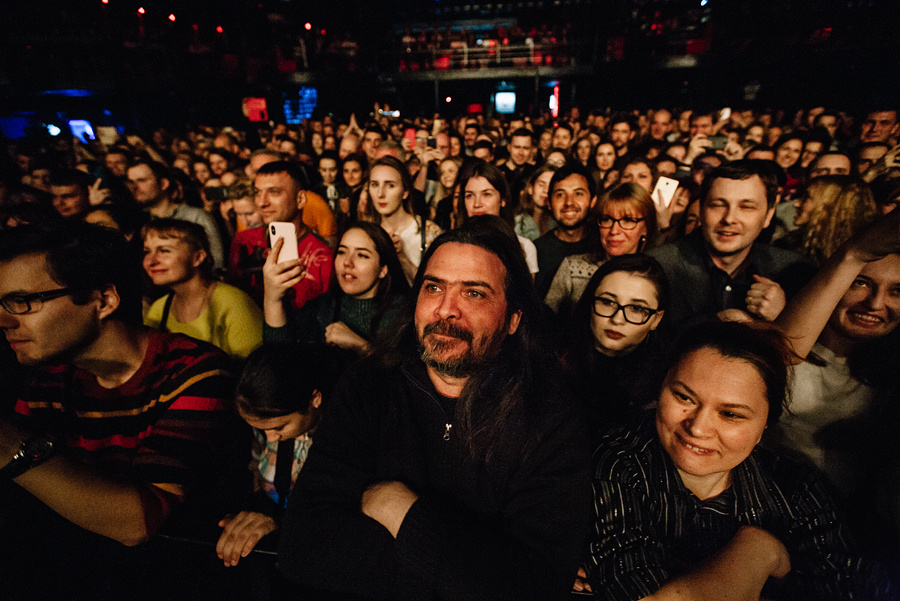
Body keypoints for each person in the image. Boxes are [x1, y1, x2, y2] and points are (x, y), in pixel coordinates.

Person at [277, 216, 591, 600]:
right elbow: (305, 546)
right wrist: (467, 569)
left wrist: (400, 509)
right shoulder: (369, 384)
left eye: (474, 293)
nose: (445, 309)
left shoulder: (551, 418)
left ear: (513, 319)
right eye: (433, 288)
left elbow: (534, 587)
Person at [0, 221, 244, 599]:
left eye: (23, 302)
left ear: (104, 301)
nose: (5, 320)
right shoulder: (47, 377)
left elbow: (137, 522)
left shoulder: (194, 372)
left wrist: (10, 447)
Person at [584, 319, 891, 600]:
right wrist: (757, 551)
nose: (698, 427)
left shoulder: (794, 485)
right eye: (684, 397)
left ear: (765, 425)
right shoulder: (618, 462)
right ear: (663, 385)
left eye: (730, 414)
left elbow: (855, 586)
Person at [773, 209, 900, 556]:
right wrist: (853, 254)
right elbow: (774, 358)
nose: (875, 303)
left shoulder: (891, 375)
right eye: (861, 282)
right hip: (766, 514)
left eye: (896, 292)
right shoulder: (783, 340)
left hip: (848, 536)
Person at [648, 160, 816, 333]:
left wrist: (785, 317)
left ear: (768, 216)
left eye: (746, 207)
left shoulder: (794, 272)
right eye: (718, 205)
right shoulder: (656, 268)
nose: (729, 218)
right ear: (702, 210)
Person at [216, 343, 335, 567]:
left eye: (279, 427)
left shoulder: (340, 436)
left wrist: (280, 525)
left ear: (314, 399)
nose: (270, 438)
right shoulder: (263, 431)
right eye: (262, 430)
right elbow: (254, 472)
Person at [263, 222, 409, 366]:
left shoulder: (403, 313)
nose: (347, 262)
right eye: (341, 252)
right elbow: (278, 360)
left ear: (383, 269)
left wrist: (360, 346)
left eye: (362, 255)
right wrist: (272, 298)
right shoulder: (321, 309)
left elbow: (405, 377)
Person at [560, 255, 669, 435]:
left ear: (656, 319)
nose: (617, 319)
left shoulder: (663, 383)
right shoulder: (551, 359)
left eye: (637, 308)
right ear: (590, 302)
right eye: (607, 302)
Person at [143, 219, 263, 359]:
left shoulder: (233, 304)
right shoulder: (158, 310)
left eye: (164, 251)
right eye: (147, 251)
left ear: (198, 258)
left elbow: (255, 372)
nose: (151, 261)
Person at [228, 160, 334, 311]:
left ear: (300, 199)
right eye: (258, 192)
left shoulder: (324, 258)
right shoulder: (244, 242)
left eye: (274, 192)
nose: (262, 202)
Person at [545, 182, 657, 314]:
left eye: (628, 220)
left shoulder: (654, 276)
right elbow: (546, 321)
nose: (614, 230)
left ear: (646, 227)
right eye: (607, 219)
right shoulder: (573, 268)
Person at [126, 160, 225, 270]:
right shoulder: (137, 223)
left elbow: (217, 263)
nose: (134, 187)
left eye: (141, 180)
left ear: (163, 184)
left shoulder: (195, 216)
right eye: (131, 182)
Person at [367, 155, 441, 283]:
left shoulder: (429, 232)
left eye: (390, 185)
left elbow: (434, 287)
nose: (380, 194)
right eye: (374, 185)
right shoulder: (366, 233)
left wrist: (401, 256)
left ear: (405, 191)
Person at [459, 160, 540, 274]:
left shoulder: (523, 248)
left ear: (503, 200)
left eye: (486, 194)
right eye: (470, 195)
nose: (477, 204)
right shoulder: (453, 247)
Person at [534, 164, 599, 298]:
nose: (569, 202)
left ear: (593, 201)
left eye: (578, 193)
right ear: (549, 203)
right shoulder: (535, 251)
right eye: (560, 194)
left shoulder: (604, 247)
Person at [779, 175, 877, 264]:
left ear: (829, 207)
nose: (796, 204)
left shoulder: (863, 257)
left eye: (807, 198)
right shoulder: (788, 246)